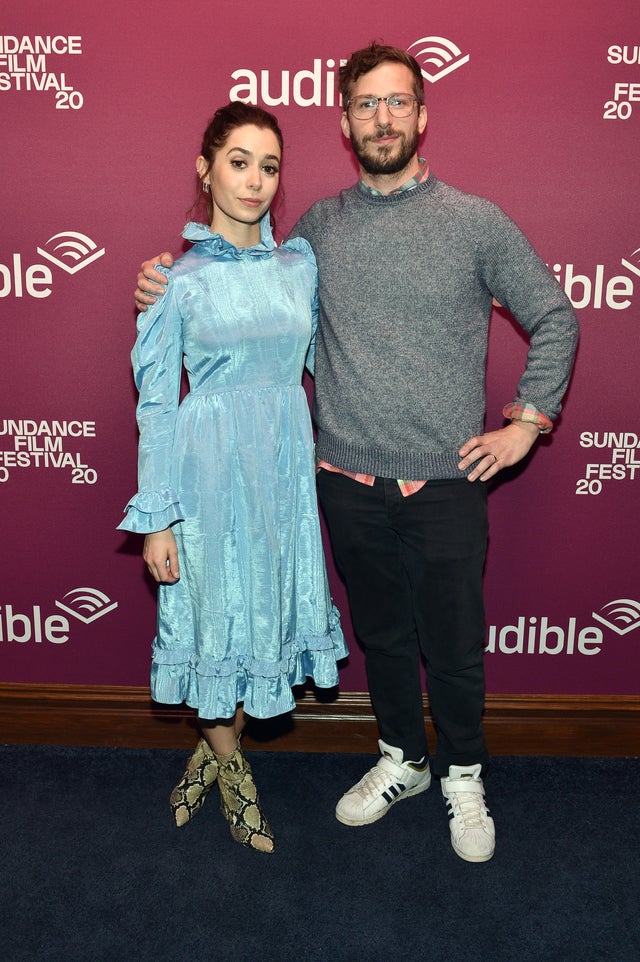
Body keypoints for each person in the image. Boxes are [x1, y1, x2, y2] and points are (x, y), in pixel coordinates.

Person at [133, 44, 579, 864]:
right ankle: (403, 760)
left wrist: (527, 421)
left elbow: (555, 317)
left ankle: (464, 778)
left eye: (397, 102)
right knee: (380, 637)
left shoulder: (475, 220)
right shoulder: (315, 236)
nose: (382, 118)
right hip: (340, 478)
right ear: (344, 124)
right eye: (366, 106)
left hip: (446, 478)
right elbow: (247, 286)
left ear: (421, 114)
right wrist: (163, 280)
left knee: (451, 644)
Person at [118, 101, 346, 854]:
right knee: (215, 618)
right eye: (239, 161)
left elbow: (333, 365)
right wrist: (156, 516)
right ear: (206, 168)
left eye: (269, 166)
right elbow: (156, 407)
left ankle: (211, 755)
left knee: (262, 619)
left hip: (281, 474)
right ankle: (233, 769)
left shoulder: (300, 266)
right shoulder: (176, 283)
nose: (253, 180)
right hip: (206, 478)